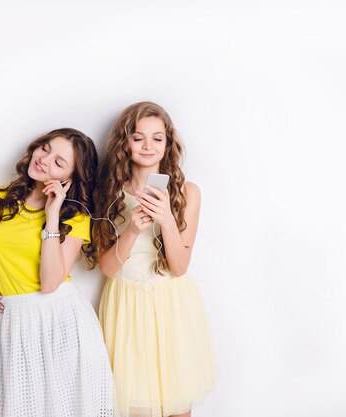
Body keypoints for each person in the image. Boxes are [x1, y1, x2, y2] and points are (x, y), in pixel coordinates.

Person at [0, 128, 114, 417]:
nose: (44, 159)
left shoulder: (75, 217)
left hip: (63, 321)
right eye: (45, 149)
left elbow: (50, 284)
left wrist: (53, 215)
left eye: (59, 162)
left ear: (69, 180)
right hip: (16, 321)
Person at [93, 102, 217, 417]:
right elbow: (107, 268)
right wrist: (132, 230)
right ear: (125, 142)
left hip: (171, 305)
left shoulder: (187, 192)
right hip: (125, 307)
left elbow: (179, 267)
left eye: (157, 138)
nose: (148, 146)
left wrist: (167, 219)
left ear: (167, 143)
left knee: (178, 406)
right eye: (138, 137)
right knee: (134, 406)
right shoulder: (108, 192)